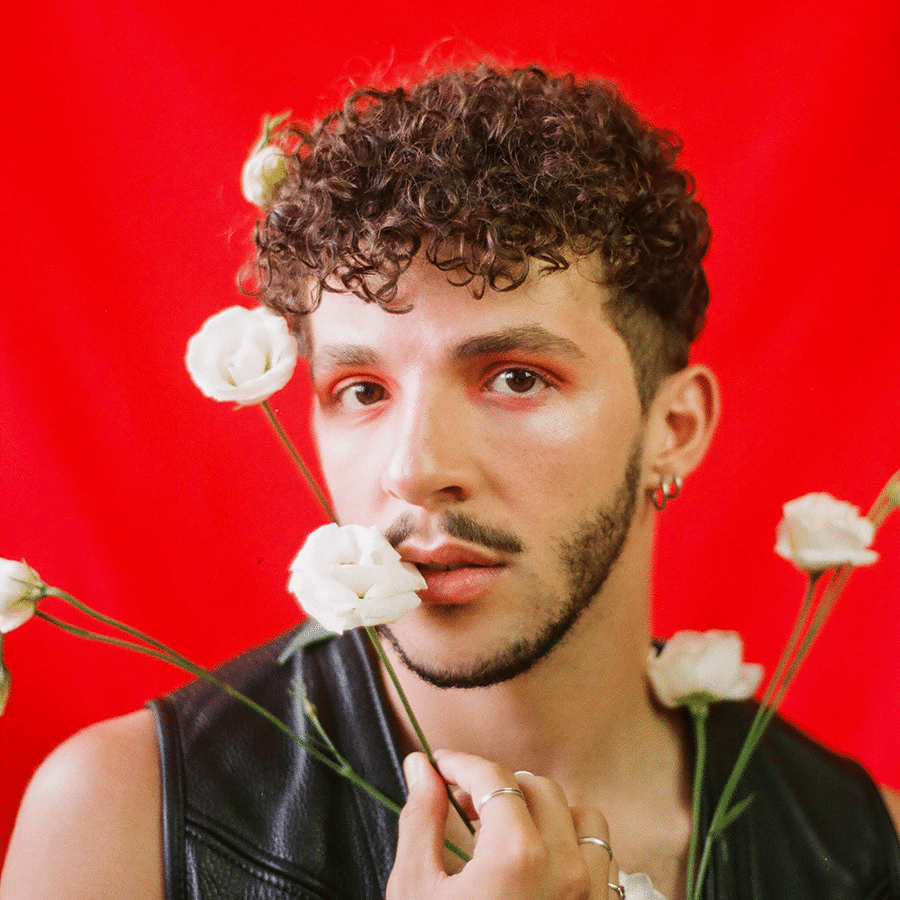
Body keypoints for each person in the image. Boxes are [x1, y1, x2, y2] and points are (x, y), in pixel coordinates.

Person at [3, 64, 899, 900]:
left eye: (515, 376)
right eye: (362, 390)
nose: (415, 469)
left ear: (675, 429)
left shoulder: (860, 850)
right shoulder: (123, 821)